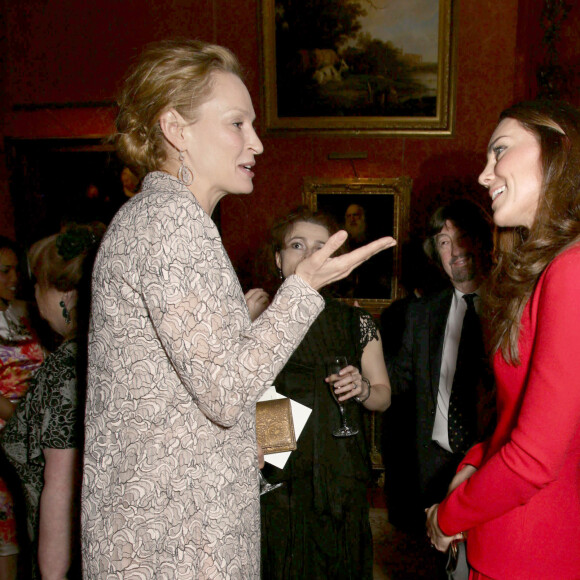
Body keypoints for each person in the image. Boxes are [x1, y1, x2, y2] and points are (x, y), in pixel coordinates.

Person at [80, 39, 396, 578]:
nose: (257, 143)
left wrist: (254, 444)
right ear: (176, 129)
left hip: (178, 520)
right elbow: (227, 392)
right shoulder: (171, 224)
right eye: (236, 124)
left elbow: (206, 394)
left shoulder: (164, 219)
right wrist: (303, 290)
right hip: (178, 537)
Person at [426, 100, 580, 579]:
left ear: (557, 152)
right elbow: (514, 417)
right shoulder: (546, 271)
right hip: (506, 539)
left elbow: (534, 458)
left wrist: (446, 516)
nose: (484, 175)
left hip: (533, 553)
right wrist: (472, 463)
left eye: (500, 151)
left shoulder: (572, 270)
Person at [259, 207, 391, 580]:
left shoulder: (355, 321)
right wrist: (274, 463)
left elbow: (383, 396)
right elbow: (254, 396)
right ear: (278, 259)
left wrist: (363, 388)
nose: (308, 255)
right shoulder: (260, 318)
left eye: (321, 248)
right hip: (282, 468)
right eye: (297, 245)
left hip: (341, 465)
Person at [385, 200, 494, 539]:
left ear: (484, 241)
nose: (455, 248)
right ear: (436, 254)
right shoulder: (421, 314)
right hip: (434, 468)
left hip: (495, 465)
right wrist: (364, 371)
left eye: (463, 236)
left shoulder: (515, 304)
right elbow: (397, 381)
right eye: (444, 241)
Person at [2, 224, 102, 580]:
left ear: (68, 295)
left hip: (74, 557)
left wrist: (52, 576)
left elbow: (59, 487)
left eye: (38, 285)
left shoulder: (69, 366)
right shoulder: (104, 354)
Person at [0, 236, 44, 580]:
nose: (14, 278)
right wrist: (23, 423)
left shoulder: (21, 314)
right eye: (4, 271)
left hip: (31, 434)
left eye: (16, 270)